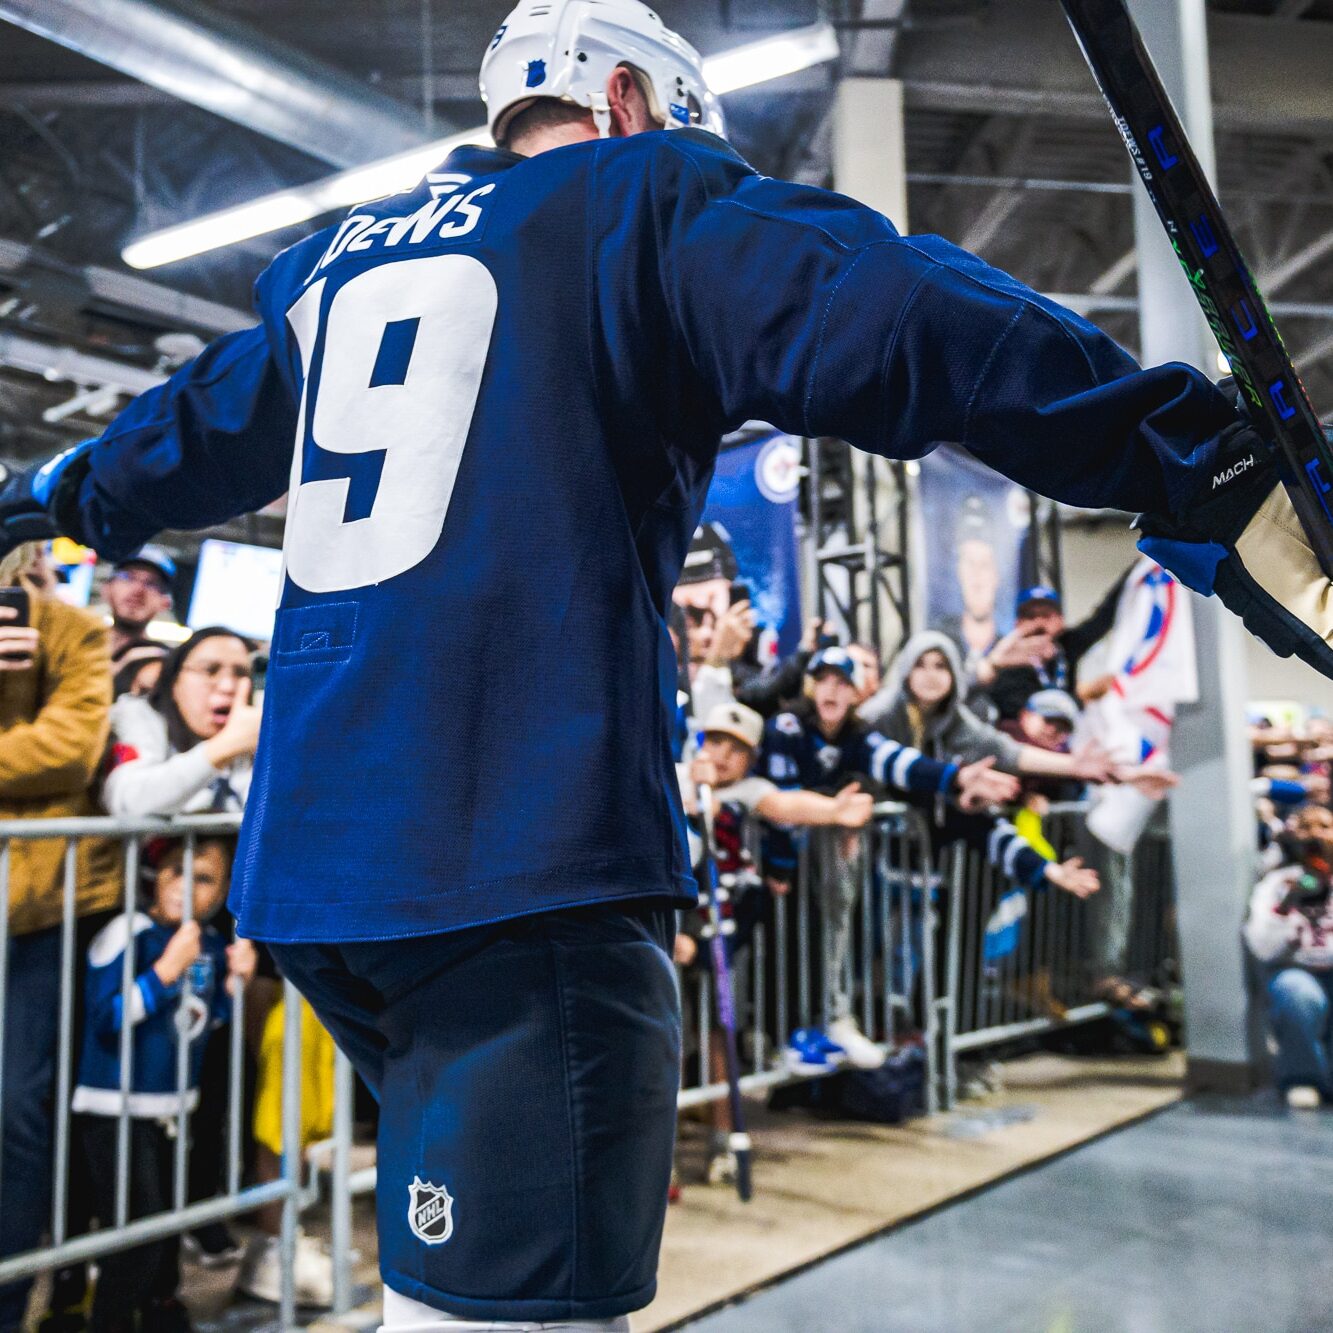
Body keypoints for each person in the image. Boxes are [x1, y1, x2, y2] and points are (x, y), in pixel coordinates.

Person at [0, 1, 1328, 1324]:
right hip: (512, 855)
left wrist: (46, 494)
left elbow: (180, 435)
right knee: (518, 1310)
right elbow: (900, 315)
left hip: (319, 874)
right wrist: (1188, 460)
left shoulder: (330, 272)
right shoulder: (638, 196)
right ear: (631, 104)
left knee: (447, 1278)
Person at [0, 540, 121, 1331]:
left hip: (37, 912)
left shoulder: (74, 630)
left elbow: (69, 750)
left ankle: (8, 1301)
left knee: (13, 1108)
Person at [675, 700, 872, 1182]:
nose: (723, 756)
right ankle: (664, 1151)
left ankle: (724, 1140)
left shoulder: (750, 791)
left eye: (737, 748)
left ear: (752, 758)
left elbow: (785, 804)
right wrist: (689, 792)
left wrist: (834, 810)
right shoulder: (676, 779)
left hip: (723, 930)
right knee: (669, 1037)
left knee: (720, 1033)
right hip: (673, 928)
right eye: (714, 742)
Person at [73, 838, 255, 1333]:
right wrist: (164, 972)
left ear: (223, 891)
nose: (186, 887)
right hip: (114, 1109)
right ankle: (108, 1323)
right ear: (156, 875)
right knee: (140, 1233)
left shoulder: (209, 943)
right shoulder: (128, 932)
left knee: (167, 1227)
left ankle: (160, 1310)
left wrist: (235, 985)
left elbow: (205, 1021)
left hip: (174, 1108)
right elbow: (105, 1017)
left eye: (204, 878)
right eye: (177, 871)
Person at [102, 627, 259, 817]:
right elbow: (128, 802)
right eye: (209, 670)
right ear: (174, 682)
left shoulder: (253, 731)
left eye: (241, 673)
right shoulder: (137, 714)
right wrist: (225, 746)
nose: (228, 686)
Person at [1243, 803, 1333, 1109]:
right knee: (1296, 994)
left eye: (1324, 826)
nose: (1316, 834)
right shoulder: (1276, 883)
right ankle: (1303, 1078)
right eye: (1306, 826)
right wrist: (1287, 905)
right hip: (1297, 970)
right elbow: (1262, 948)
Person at [974, 580, 1129, 722]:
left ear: (1060, 620)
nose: (1039, 622)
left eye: (1046, 615)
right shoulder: (1006, 653)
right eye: (1031, 616)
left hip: (1065, 728)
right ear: (1017, 623)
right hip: (1019, 731)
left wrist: (1137, 569)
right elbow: (1001, 700)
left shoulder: (1067, 645)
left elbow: (1104, 617)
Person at [101, 546, 176, 657]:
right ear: (106, 589)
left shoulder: (164, 661)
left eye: (151, 583)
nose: (138, 590)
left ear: (165, 602)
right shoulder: (79, 645)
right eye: (128, 577)